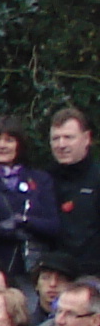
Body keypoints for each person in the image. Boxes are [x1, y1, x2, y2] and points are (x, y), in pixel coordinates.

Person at [0, 116, 59, 278]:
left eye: (9, 140)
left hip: (35, 271)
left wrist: (25, 221)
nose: (1, 145)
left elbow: (54, 226)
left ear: (19, 145)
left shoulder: (40, 179)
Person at [49, 107, 100, 278]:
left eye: (68, 137)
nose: (61, 145)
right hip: (52, 277)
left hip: (92, 277)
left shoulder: (97, 178)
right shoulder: (43, 180)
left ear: (87, 138)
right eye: (56, 138)